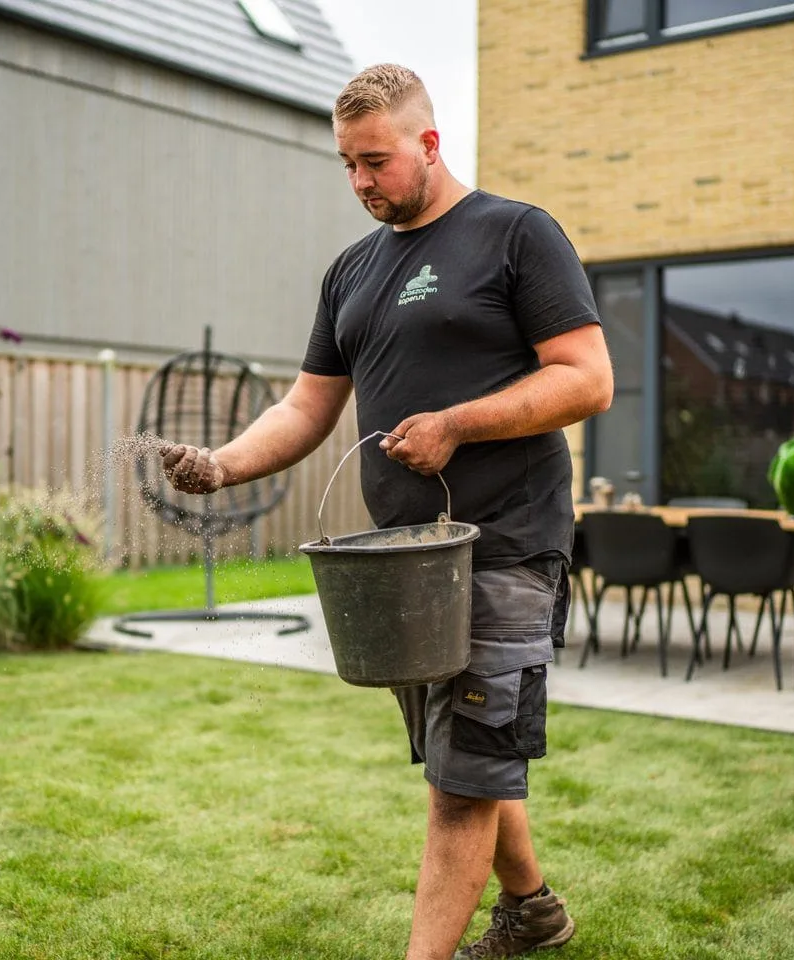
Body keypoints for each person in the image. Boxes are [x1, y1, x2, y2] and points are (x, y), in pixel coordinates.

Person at [160, 63, 613, 960]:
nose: (362, 181)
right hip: (405, 562)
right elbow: (305, 408)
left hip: (507, 545)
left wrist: (456, 425)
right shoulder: (352, 274)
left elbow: (586, 379)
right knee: (460, 757)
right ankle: (533, 912)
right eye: (348, 165)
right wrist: (220, 465)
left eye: (376, 161)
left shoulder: (517, 236)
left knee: (461, 784)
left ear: (429, 144)